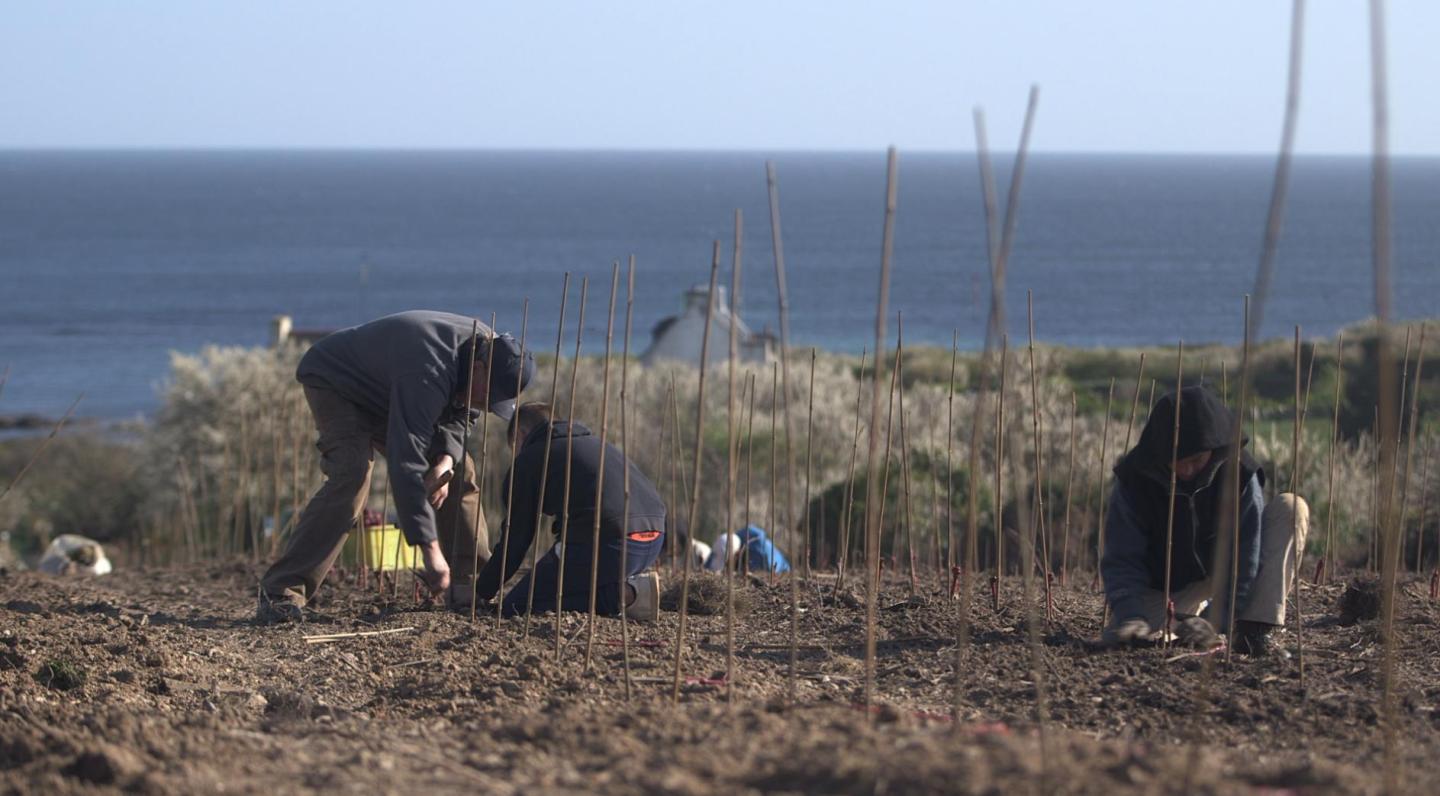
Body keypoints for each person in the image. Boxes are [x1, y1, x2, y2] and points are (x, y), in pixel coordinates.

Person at [256, 311, 534, 623]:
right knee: (352, 474)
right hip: (337, 383)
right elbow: (406, 461)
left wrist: (445, 459)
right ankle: (281, 592)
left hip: (391, 389)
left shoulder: (486, 353)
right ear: (479, 369)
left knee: (458, 471)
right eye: (487, 397)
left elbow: (463, 412)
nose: (486, 405)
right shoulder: (428, 370)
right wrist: (430, 550)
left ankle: (469, 586)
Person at [1101, 384, 1308, 657]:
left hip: (1223, 577)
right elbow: (1122, 557)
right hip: (1163, 587)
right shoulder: (1135, 479)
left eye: (1196, 460)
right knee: (1127, 641)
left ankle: (1253, 631)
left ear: (1215, 448)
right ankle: (1183, 618)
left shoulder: (1239, 473)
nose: (1187, 470)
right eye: (1178, 461)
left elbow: (1247, 558)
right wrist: (1130, 613)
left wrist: (1216, 620)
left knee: (1291, 508)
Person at [472, 402, 666, 620]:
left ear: (519, 434)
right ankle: (626, 586)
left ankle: (624, 594)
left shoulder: (530, 460)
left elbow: (516, 540)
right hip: (653, 539)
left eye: (513, 446)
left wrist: (481, 591)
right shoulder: (596, 444)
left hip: (610, 545)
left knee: (517, 605)